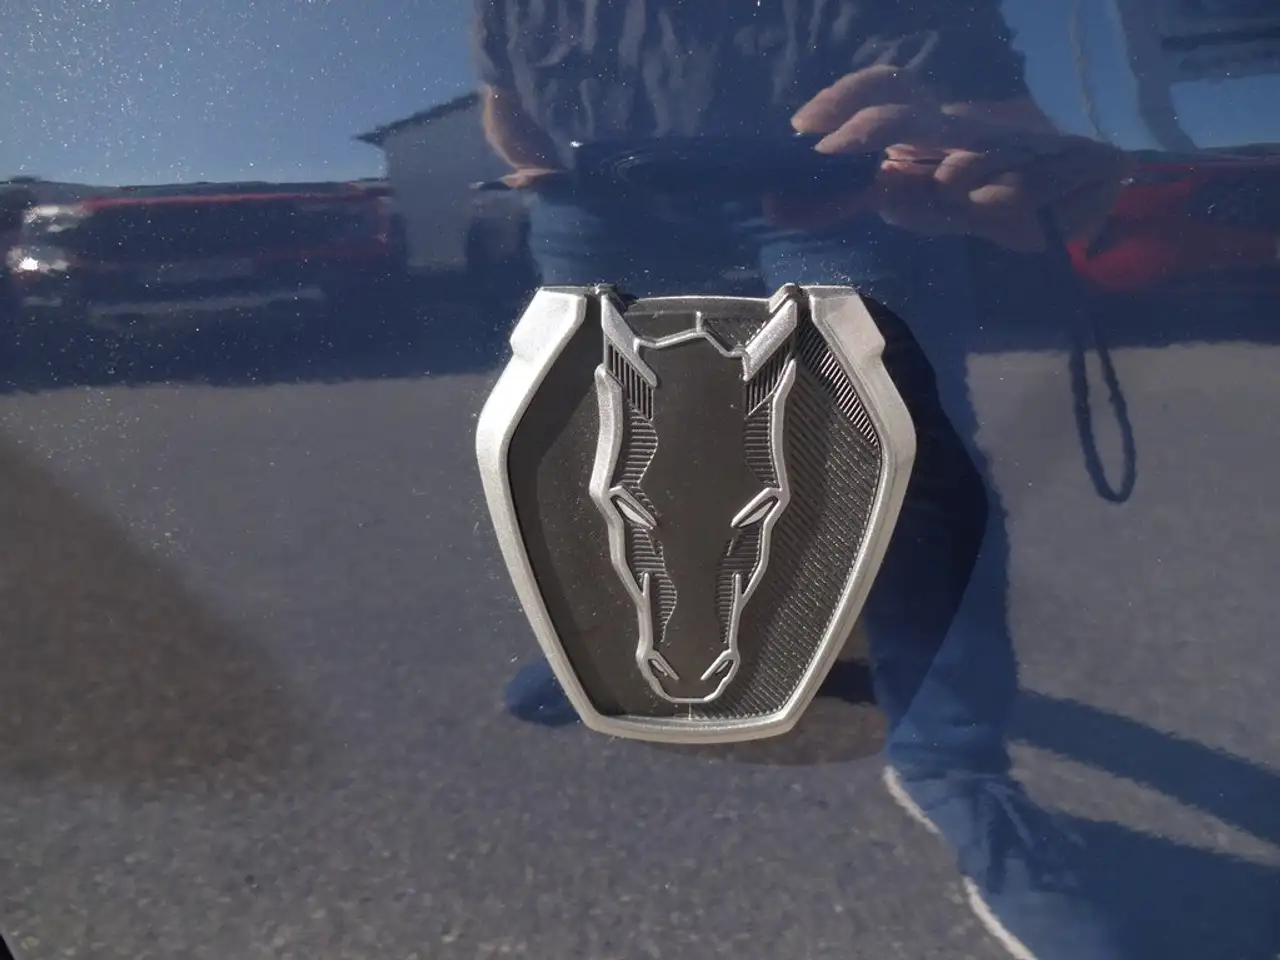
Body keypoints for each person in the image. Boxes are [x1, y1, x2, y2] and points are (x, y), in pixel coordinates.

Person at [475, 2, 1131, 957]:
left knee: (902, 459)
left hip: (832, 188)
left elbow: (998, 118)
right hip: (598, 195)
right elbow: (502, 91)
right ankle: (611, 637)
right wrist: (542, 166)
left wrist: (979, 151)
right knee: (598, 441)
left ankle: (952, 764)